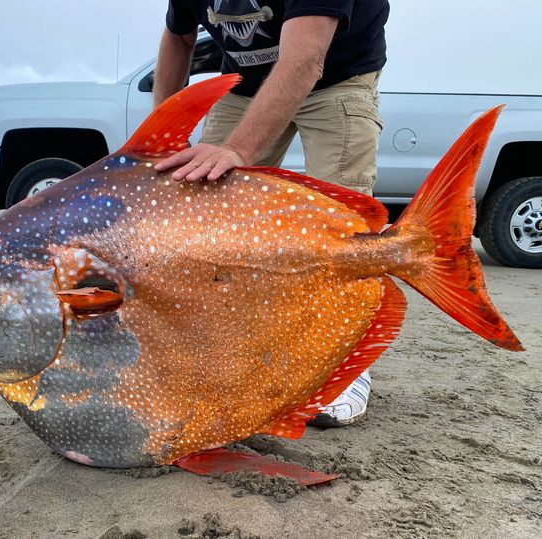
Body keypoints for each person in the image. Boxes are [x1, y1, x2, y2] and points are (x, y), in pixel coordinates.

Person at [153, 0, 390, 426]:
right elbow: (179, 36)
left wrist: (238, 149)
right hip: (245, 88)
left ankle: (343, 367)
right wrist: (164, 134)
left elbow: (305, 59)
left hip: (337, 75)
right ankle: (227, 356)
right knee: (204, 219)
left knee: (342, 225)